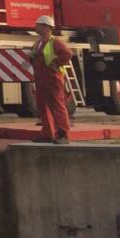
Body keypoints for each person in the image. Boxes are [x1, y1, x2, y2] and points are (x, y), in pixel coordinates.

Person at [29, 14, 74, 144]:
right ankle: (47, 134)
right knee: (42, 106)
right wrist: (31, 56)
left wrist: (56, 63)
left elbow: (67, 53)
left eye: (38, 25)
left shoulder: (55, 42)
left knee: (57, 106)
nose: (35, 27)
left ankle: (63, 134)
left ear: (46, 27)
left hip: (53, 78)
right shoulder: (38, 43)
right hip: (41, 78)